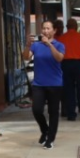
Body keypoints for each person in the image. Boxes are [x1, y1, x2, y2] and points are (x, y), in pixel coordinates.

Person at [22, 20, 65, 148]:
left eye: (48, 28)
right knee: (36, 110)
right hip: (39, 84)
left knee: (53, 112)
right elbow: (26, 57)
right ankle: (45, 130)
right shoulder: (36, 45)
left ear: (54, 31)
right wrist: (28, 45)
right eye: (44, 29)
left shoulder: (59, 45)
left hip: (55, 84)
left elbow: (59, 58)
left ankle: (50, 139)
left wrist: (50, 45)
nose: (45, 31)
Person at [58, 18, 80, 122]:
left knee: (68, 90)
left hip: (65, 65)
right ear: (76, 27)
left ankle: (71, 115)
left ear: (66, 27)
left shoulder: (62, 38)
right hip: (78, 64)